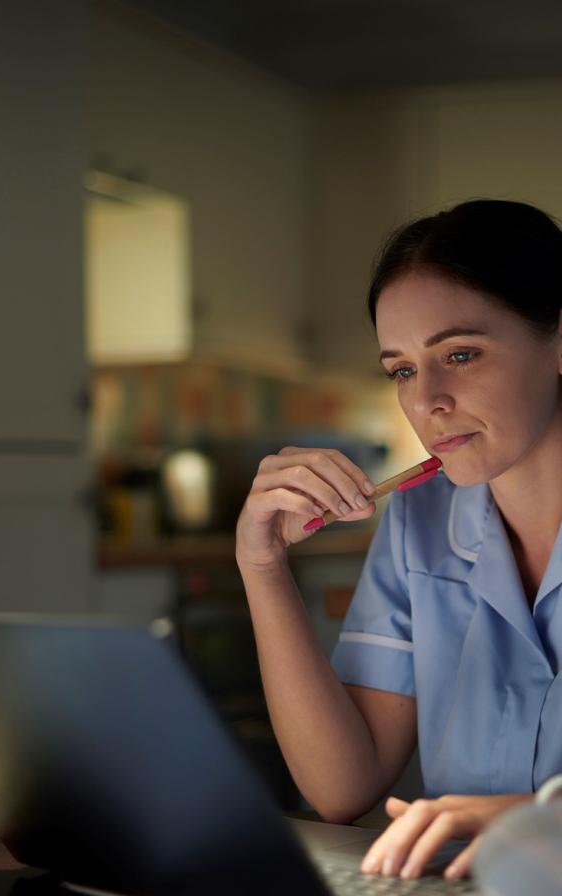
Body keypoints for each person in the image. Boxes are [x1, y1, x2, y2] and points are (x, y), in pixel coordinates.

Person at [235, 198, 562, 881]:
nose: (425, 402)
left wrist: (540, 820)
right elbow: (342, 788)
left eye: (461, 354)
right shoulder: (417, 522)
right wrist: (260, 563)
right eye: (403, 370)